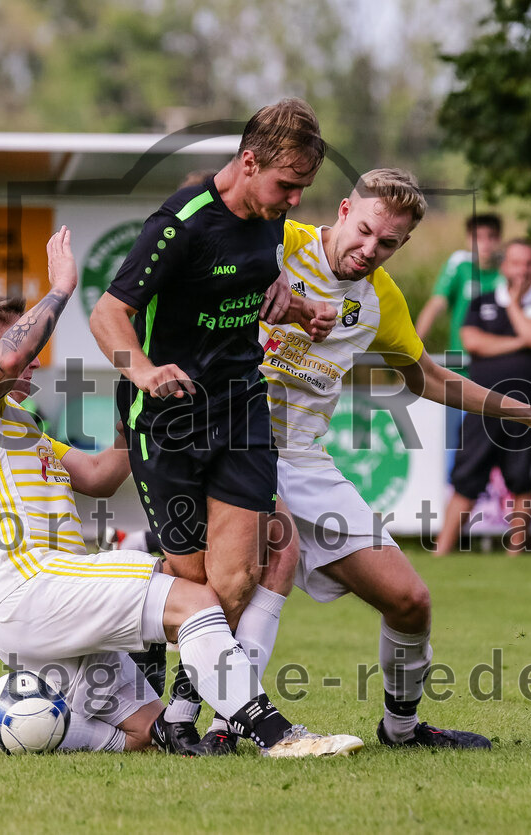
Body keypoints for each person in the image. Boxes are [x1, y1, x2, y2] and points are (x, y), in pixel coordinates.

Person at [175, 169, 531, 753]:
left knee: (410, 601)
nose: (370, 250)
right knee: (253, 569)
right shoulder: (278, 243)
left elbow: (426, 377)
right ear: (345, 210)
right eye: (367, 231)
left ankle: (401, 729)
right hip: (231, 443)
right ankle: (213, 723)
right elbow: (198, 259)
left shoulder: (380, 300)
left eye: (389, 244)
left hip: (304, 460)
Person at [0, 228, 362, 759]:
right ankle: (275, 735)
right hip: (32, 586)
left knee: (147, 737)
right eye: (24, 342)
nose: (37, 360)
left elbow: (98, 475)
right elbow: (14, 360)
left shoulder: (19, 425)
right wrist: (62, 286)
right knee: (194, 595)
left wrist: (141, 402)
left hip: (55, 605)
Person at [89, 98, 336, 753]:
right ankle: (132, 649)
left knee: (232, 580)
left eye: (303, 189)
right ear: (248, 162)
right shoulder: (180, 223)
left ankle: (182, 713)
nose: (293, 200)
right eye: (287, 185)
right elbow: (107, 314)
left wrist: (292, 301)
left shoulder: (267, 216)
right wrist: (140, 369)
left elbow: (256, 280)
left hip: (242, 407)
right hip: (167, 420)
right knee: (194, 587)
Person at [434, 240, 531, 555]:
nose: (523, 270)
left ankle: (515, 556)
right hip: (482, 407)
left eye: (530, 264)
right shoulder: (481, 302)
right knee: (466, 478)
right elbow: (472, 342)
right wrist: (522, 340)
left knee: (521, 479)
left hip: (529, 410)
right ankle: (441, 552)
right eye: (517, 263)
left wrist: (515, 306)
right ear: (504, 266)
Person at [415, 213, 504, 366]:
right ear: (468, 239)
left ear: (499, 239)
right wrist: (414, 346)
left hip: (498, 361)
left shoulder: (510, 269)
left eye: (491, 237)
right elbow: (436, 304)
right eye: (478, 237)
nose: (485, 243)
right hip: (460, 359)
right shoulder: (459, 264)